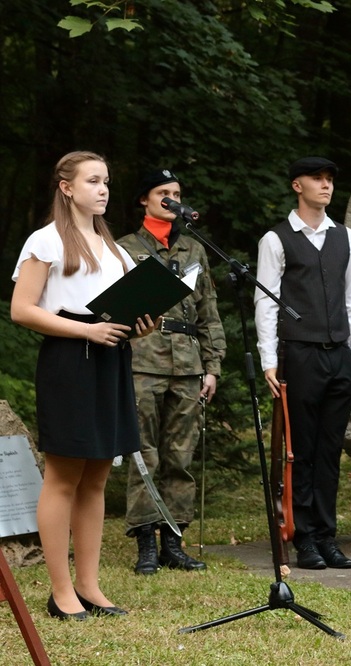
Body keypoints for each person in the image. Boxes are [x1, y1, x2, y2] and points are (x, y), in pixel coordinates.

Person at [10, 151, 157, 620]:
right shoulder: (46, 240)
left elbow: (120, 311)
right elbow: (23, 309)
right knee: (63, 476)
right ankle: (60, 592)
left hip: (110, 357)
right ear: (67, 187)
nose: (104, 189)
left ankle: (90, 586)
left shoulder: (115, 249)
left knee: (96, 477)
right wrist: (86, 331)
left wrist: (143, 324)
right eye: (93, 181)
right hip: (70, 359)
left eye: (107, 181)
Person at [254, 156, 351, 570]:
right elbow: (266, 303)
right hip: (298, 354)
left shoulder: (346, 238)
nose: (326, 186)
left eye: (330, 179)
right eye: (317, 179)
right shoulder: (277, 239)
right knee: (299, 450)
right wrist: (270, 359)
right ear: (296, 185)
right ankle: (303, 538)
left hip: (339, 353)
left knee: (329, 450)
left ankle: (326, 535)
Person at [117, 169, 227, 575]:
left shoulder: (193, 250)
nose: (171, 199)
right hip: (141, 361)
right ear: (144, 200)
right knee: (144, 453)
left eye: (177, 193)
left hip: (187, 364)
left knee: (180, 455)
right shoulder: (123, 249)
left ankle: (174, 543)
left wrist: (212, 367)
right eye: (163, 193)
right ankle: (146, 541)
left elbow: (208, 312)